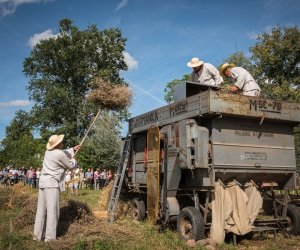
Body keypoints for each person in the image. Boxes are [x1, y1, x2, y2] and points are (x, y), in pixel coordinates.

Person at [33, 134, 81, 242]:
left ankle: (37, 236)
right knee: (52, 211)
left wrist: (73, 149)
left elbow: (62, 153)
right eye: (61, 141)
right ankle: (49, 238)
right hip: (51, 184)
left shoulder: (48, 152)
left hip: (43, 183)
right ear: (58, 144)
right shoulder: (59, 154)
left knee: (41, 210)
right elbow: (71, 166)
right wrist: (74, 159)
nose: (63, 141)